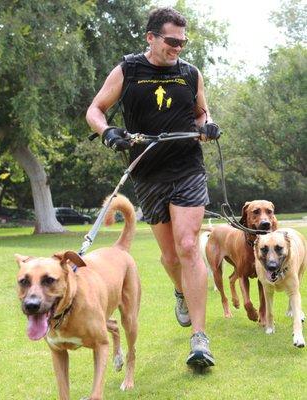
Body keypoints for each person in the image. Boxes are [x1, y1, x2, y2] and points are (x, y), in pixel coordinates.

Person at [86, 7, 220, 368]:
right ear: (151, 37)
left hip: (187, 166)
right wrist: (108, 132)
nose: (178, 48)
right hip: (147, 172)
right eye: (171, 41)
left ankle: (200, 340)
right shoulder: (128, 70)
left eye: (182, 42)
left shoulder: (190, 74)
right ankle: (180, 290)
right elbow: (95, 110)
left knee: (190, 245)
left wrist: (208, 125)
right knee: (171, 256)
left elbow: (201, 113)